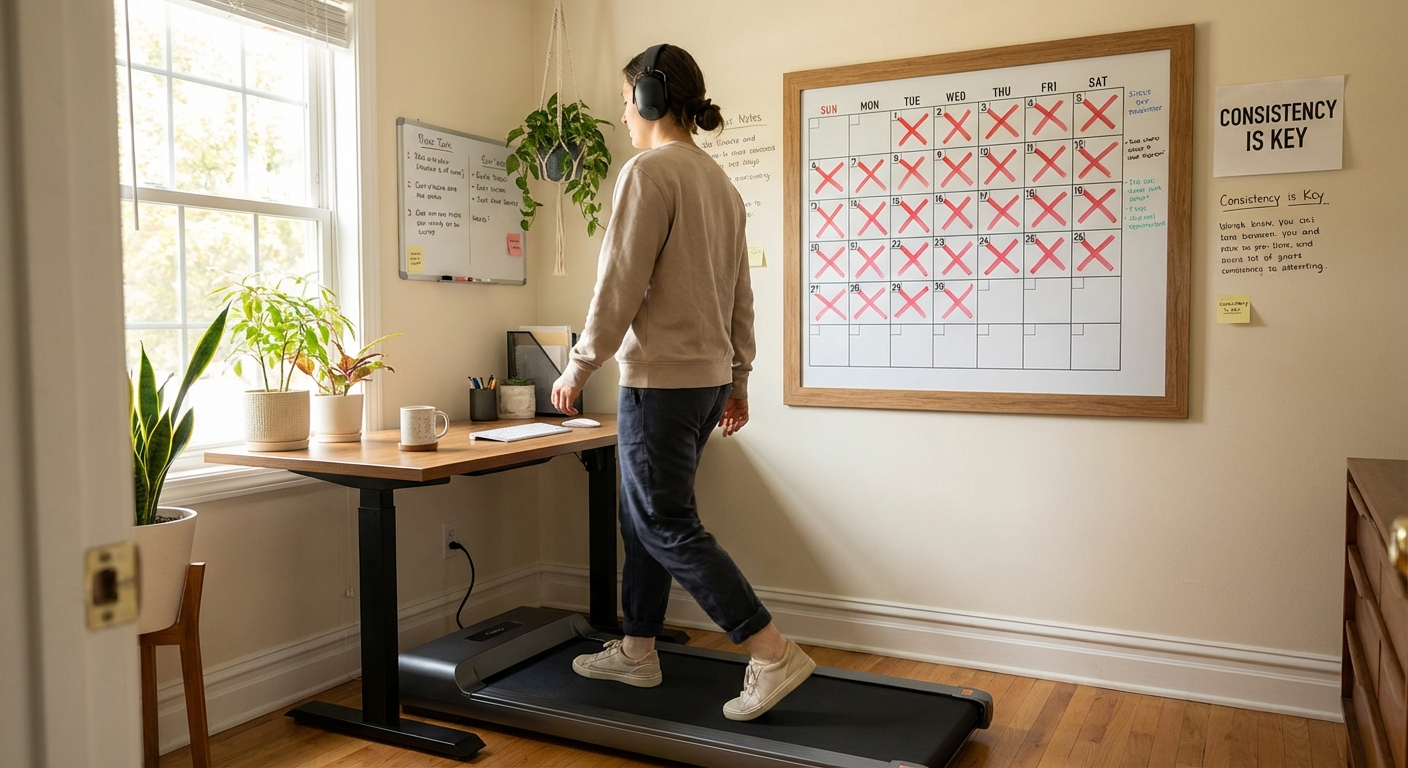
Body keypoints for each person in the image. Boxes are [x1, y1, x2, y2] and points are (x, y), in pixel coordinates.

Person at [550, 43, 813, 721]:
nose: (623, 113)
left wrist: (579, 364)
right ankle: (637, 650)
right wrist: (740, 378)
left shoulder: (648, 173)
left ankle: (770, 649)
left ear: (648, 98)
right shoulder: (719, 184)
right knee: (642, 520)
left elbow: (619, 285)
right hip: (702, 385)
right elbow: (739, 297)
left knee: (664, 521)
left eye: (626, 98)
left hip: (661, 384)